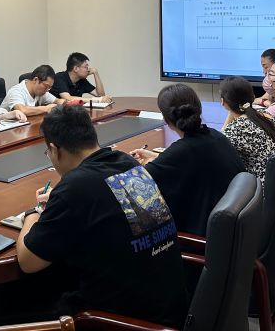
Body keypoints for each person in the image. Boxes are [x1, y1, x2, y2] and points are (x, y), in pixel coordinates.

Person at [16, 106, 189, 327]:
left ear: (54, 149)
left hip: (127, 321)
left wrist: (32, 214)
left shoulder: (75, 189)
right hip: (173, 307)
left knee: (35, 301)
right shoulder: (127, 162)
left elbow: (27, 262)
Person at [130, 84, 245, 237]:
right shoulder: (216, 136)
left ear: (166, 119)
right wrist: (158, 158)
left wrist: (145, 163)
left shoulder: (181, 151)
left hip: (199, 239)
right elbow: (193, 162)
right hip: (234, 233)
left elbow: (135, 185)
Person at [220, 76, 275, 182]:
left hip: (261, 188)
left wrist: (230, 114)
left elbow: (219, 146)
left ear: (223, 102)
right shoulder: (267, 116)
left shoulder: (236, 129)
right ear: (253, 97)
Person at [1, 65, 66, 115]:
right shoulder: (16, 91)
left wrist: (63, 103)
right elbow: (22, 110)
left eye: (50, 87)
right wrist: (46, 108)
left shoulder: (41, 92)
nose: (47, 90)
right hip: (7, 127)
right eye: (46, 86)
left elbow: (57, 101)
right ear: (35, 80)